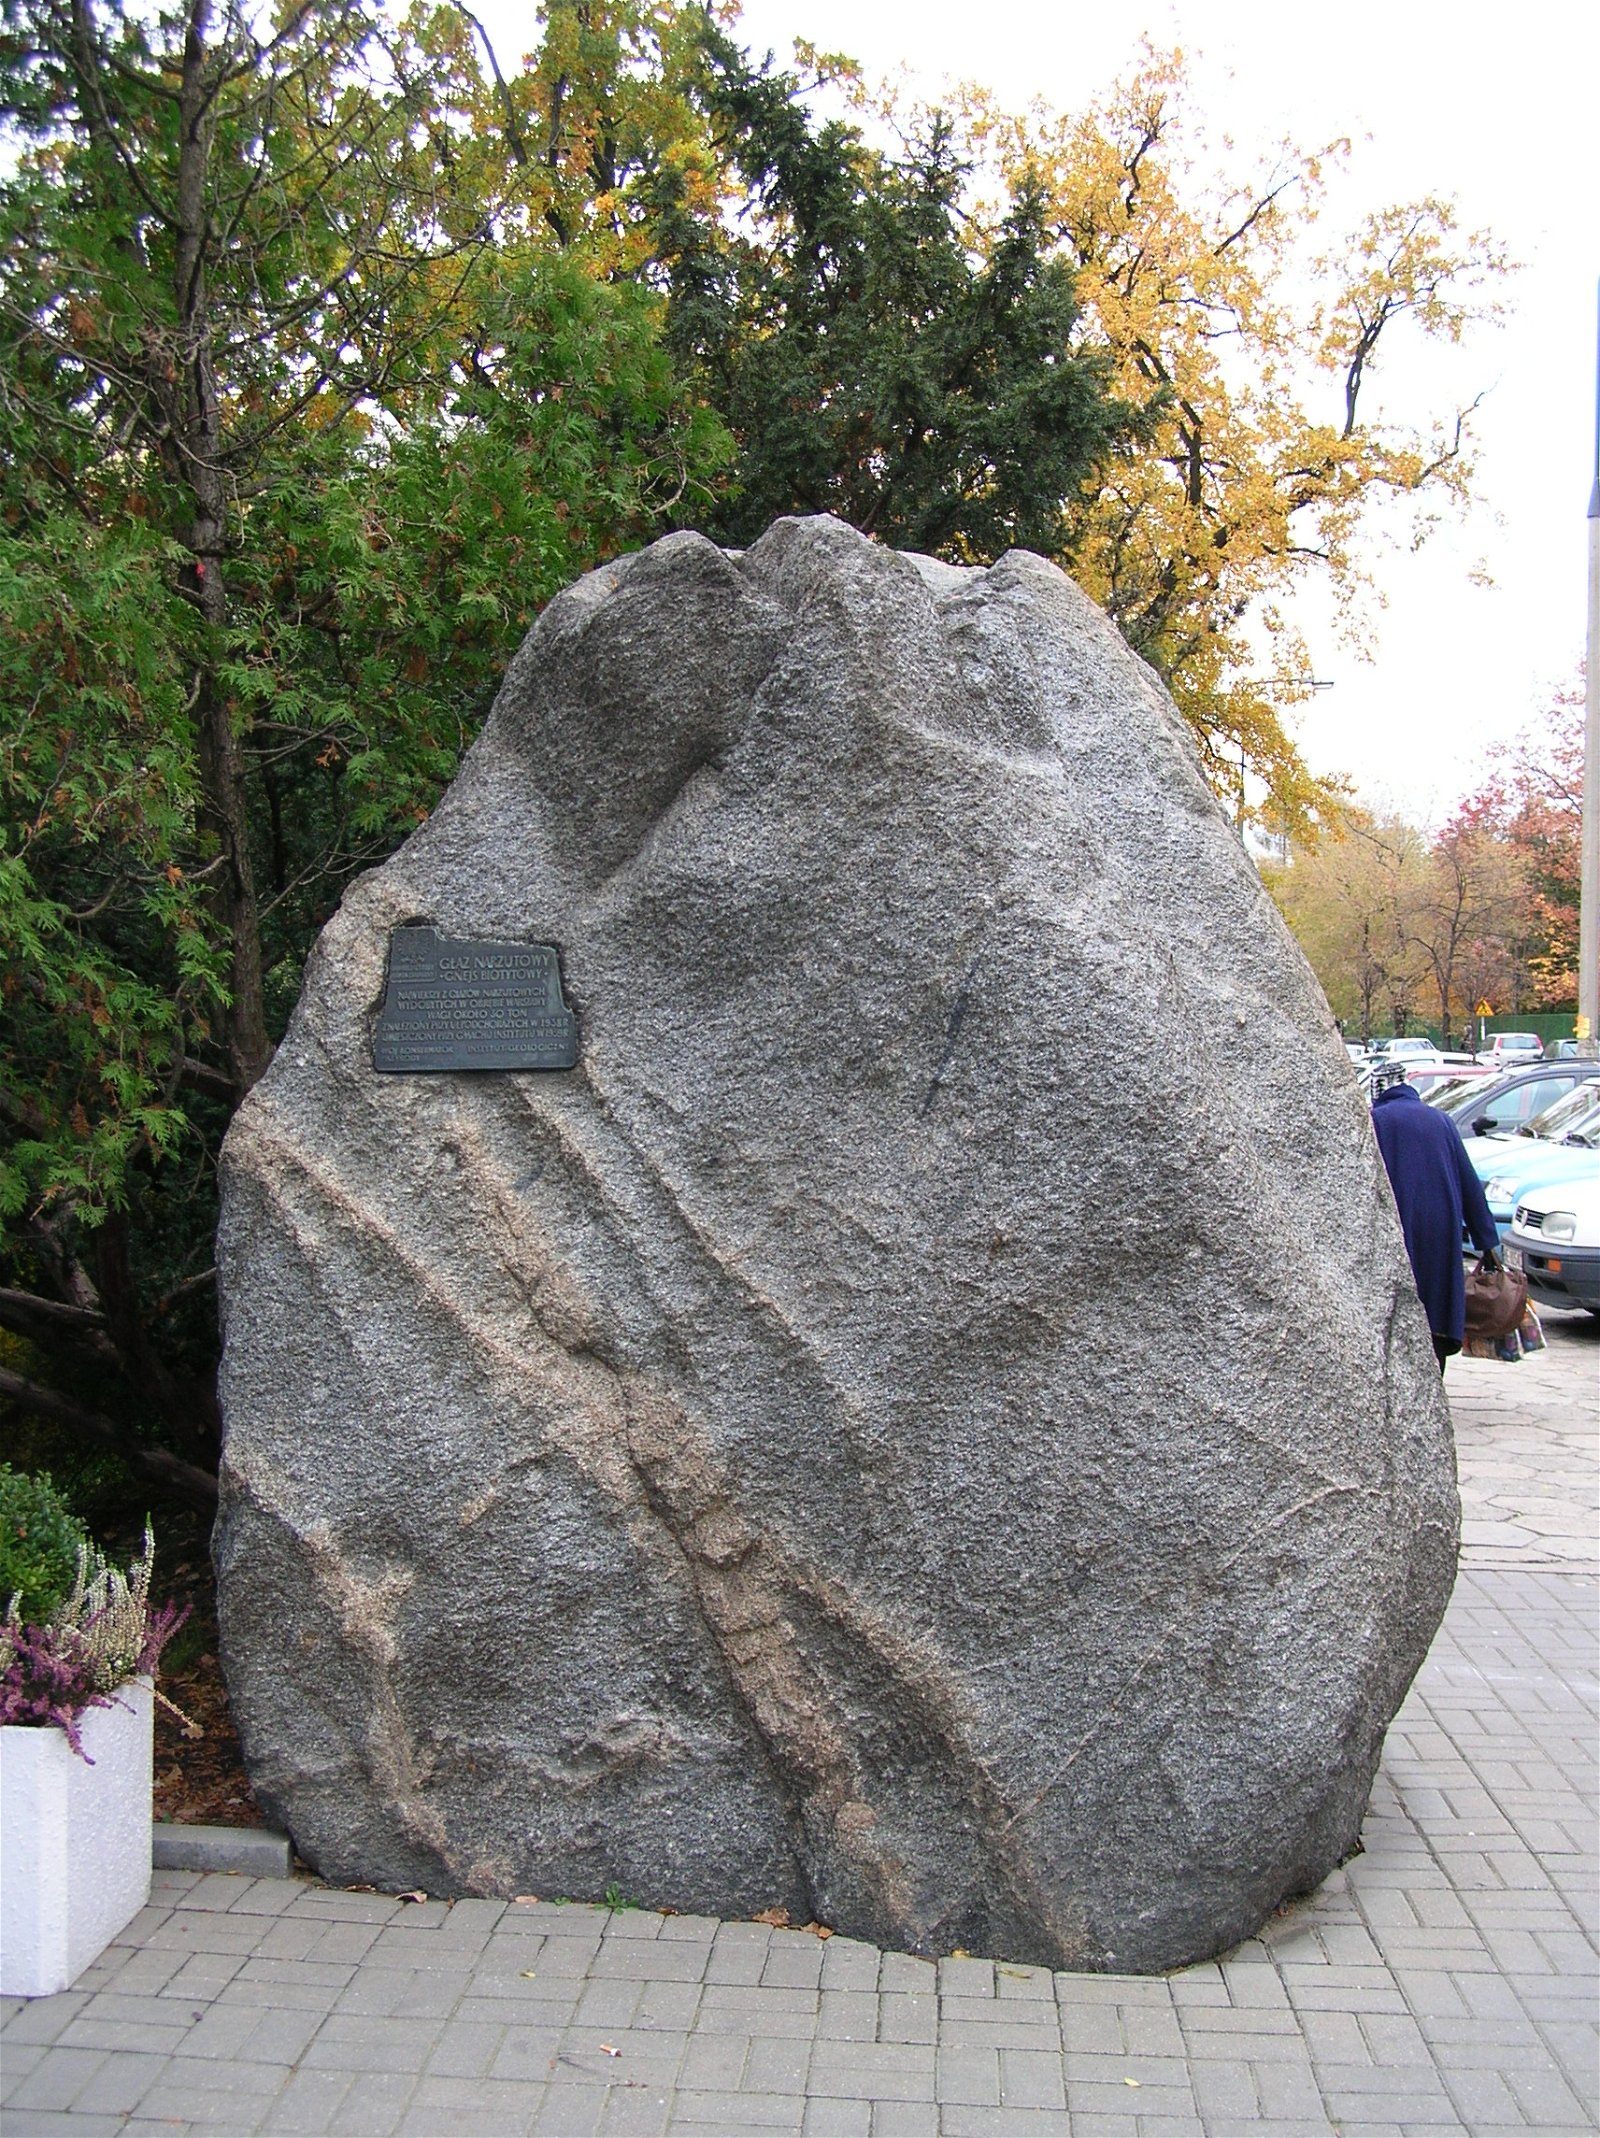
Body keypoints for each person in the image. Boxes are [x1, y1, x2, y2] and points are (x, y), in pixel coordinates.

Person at [1370, 1063, 1500, 1370]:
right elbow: (1470, 1184)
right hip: (1443, 1230)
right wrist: (1487, 1240)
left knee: (1400, 1309)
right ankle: (1434, 1378)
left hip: (1399, 1228)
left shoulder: (1376, 1122)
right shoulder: (1441, 1121)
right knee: (1437, 1308)